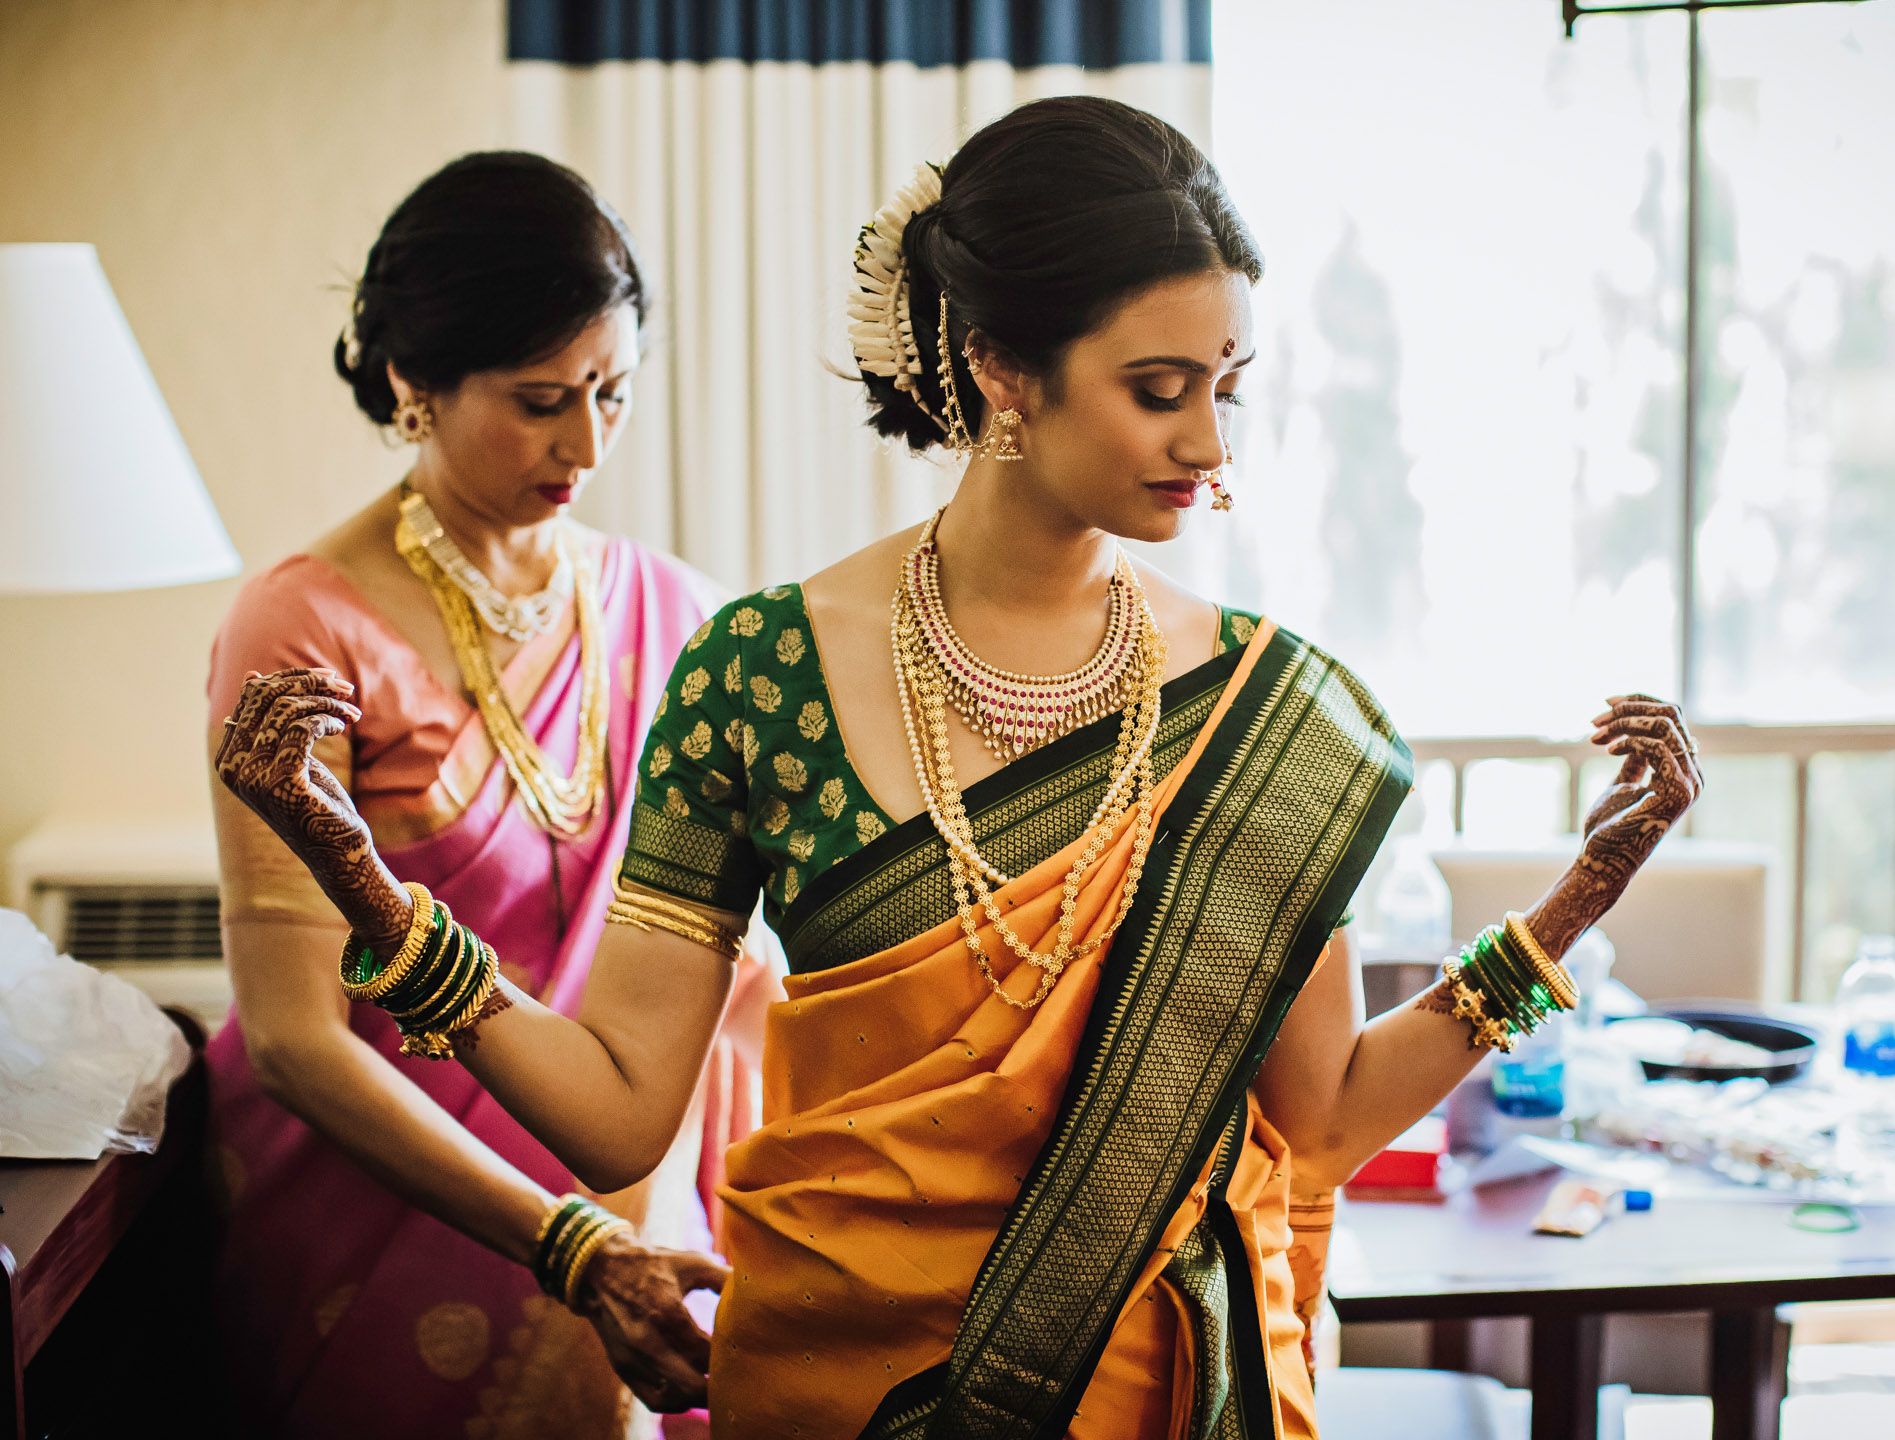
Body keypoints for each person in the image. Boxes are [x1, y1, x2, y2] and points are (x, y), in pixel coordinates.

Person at [216, 100, 1701, 1438]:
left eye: (1229, 387)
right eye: (1161, 387)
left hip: (1161, 1390)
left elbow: (1322, 1119)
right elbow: (614, 1115)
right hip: (842, 1388)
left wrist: (1570, 908)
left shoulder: (1269, 710)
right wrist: (365, 887)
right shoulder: (758, 674)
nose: (1211, 443)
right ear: (1001, 364)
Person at [204, 151, 763, 1437]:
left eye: (612, 393)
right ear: (414, 384)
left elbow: (732, 959)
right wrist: (567, 1246)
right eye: (538, 400)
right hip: (382, 1216)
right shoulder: (301, 630)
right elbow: (294, 1040)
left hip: (636, 1189)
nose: (585, 442)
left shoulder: (676, 615)